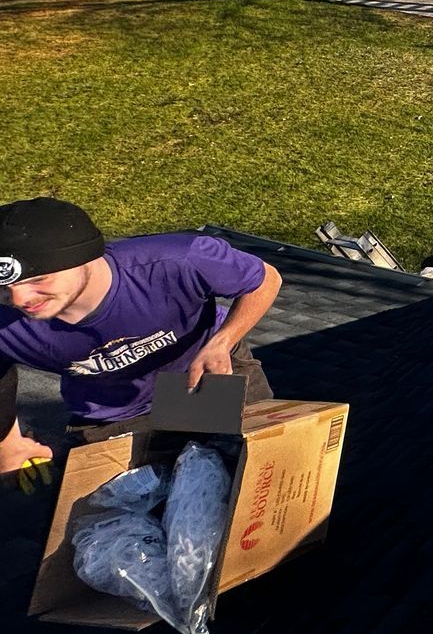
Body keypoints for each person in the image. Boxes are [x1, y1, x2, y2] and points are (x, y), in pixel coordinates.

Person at [0, 198, 281, 489]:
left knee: (262, 481)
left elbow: (264, 280)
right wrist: (9, 445)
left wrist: (222, 342)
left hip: (207, 378)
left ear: (84, 258)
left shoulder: (178, 259)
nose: (20, 299)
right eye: (4, 287)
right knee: (112, 517)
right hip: (115, 413)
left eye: (39, 279)